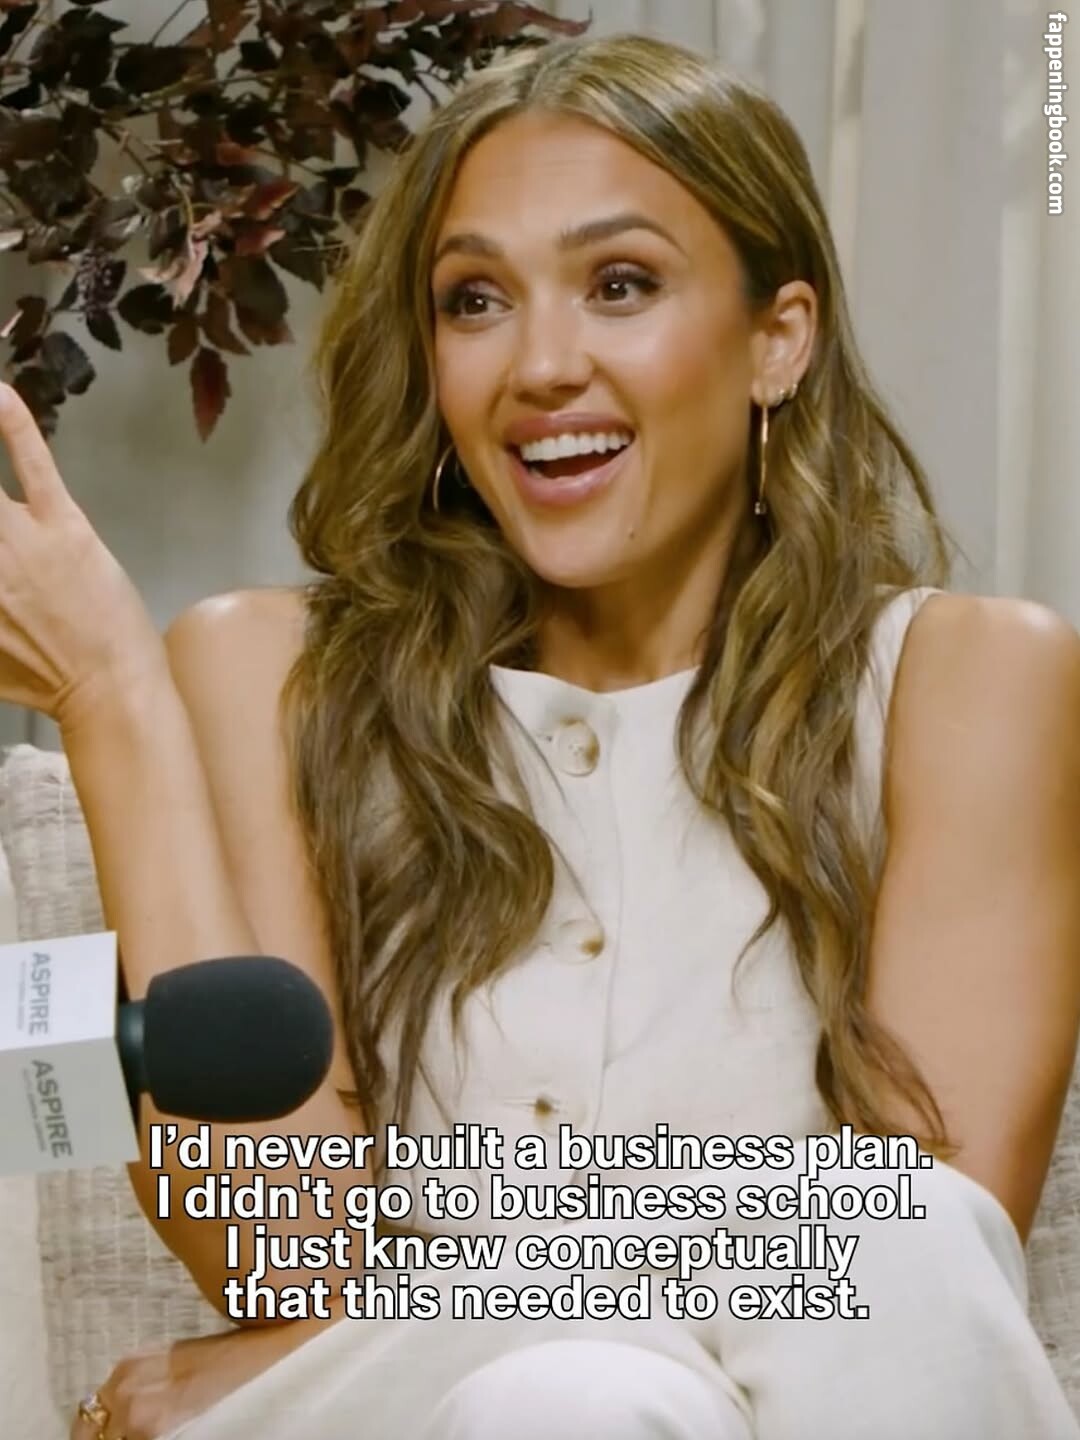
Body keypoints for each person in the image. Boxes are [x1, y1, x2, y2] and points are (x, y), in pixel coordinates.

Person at [0, 27, 1070, 1440]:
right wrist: (111, 699)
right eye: (476, 301)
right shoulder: (270, 672)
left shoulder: (972, 683)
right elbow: (284, 1255)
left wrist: (357, 1328)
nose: (541, 364)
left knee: (670, 1351)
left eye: (620, 285)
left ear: (778, 339)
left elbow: (924, 1265)